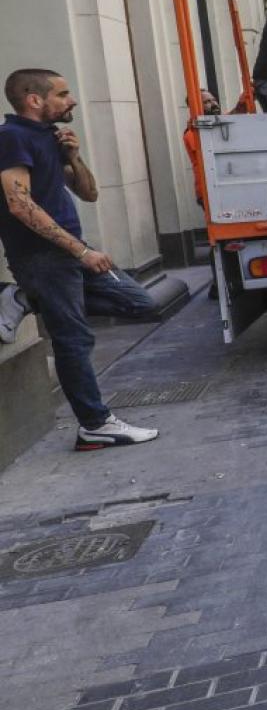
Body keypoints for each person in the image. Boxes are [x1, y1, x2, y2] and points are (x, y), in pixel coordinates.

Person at [0, 69, 162, 448]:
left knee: (141, 302)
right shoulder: (12, 138)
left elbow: (88, 194)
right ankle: (95, 424)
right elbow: (19, 206)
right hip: (44, 257)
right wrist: (82, 252)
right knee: (73, 339)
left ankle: (24, 298)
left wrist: (74, 157)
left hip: (69, 252)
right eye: (63, 93)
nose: (71, 100)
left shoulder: (50, 138)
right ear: (34, 99)